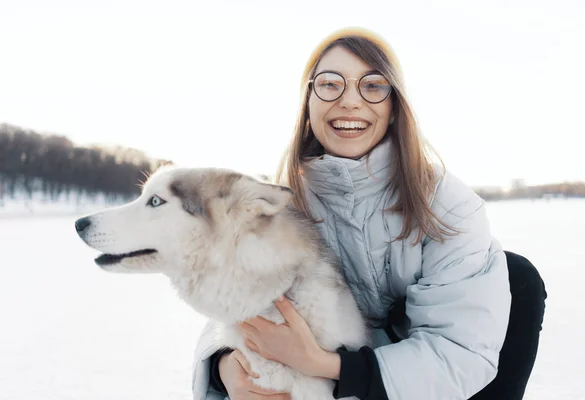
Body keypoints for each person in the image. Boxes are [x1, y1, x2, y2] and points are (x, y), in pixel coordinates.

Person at [191, 27, 547, 400]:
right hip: (321, 386)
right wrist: (223, 365)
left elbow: (462, 352)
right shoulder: (279, 204)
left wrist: (325, 365)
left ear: (394, 108)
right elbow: (230, 303)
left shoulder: (447, 203)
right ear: (308, 103)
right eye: (330, 84)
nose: (350, 101)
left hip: (419, 385)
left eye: (373, 86)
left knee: (517, 276)